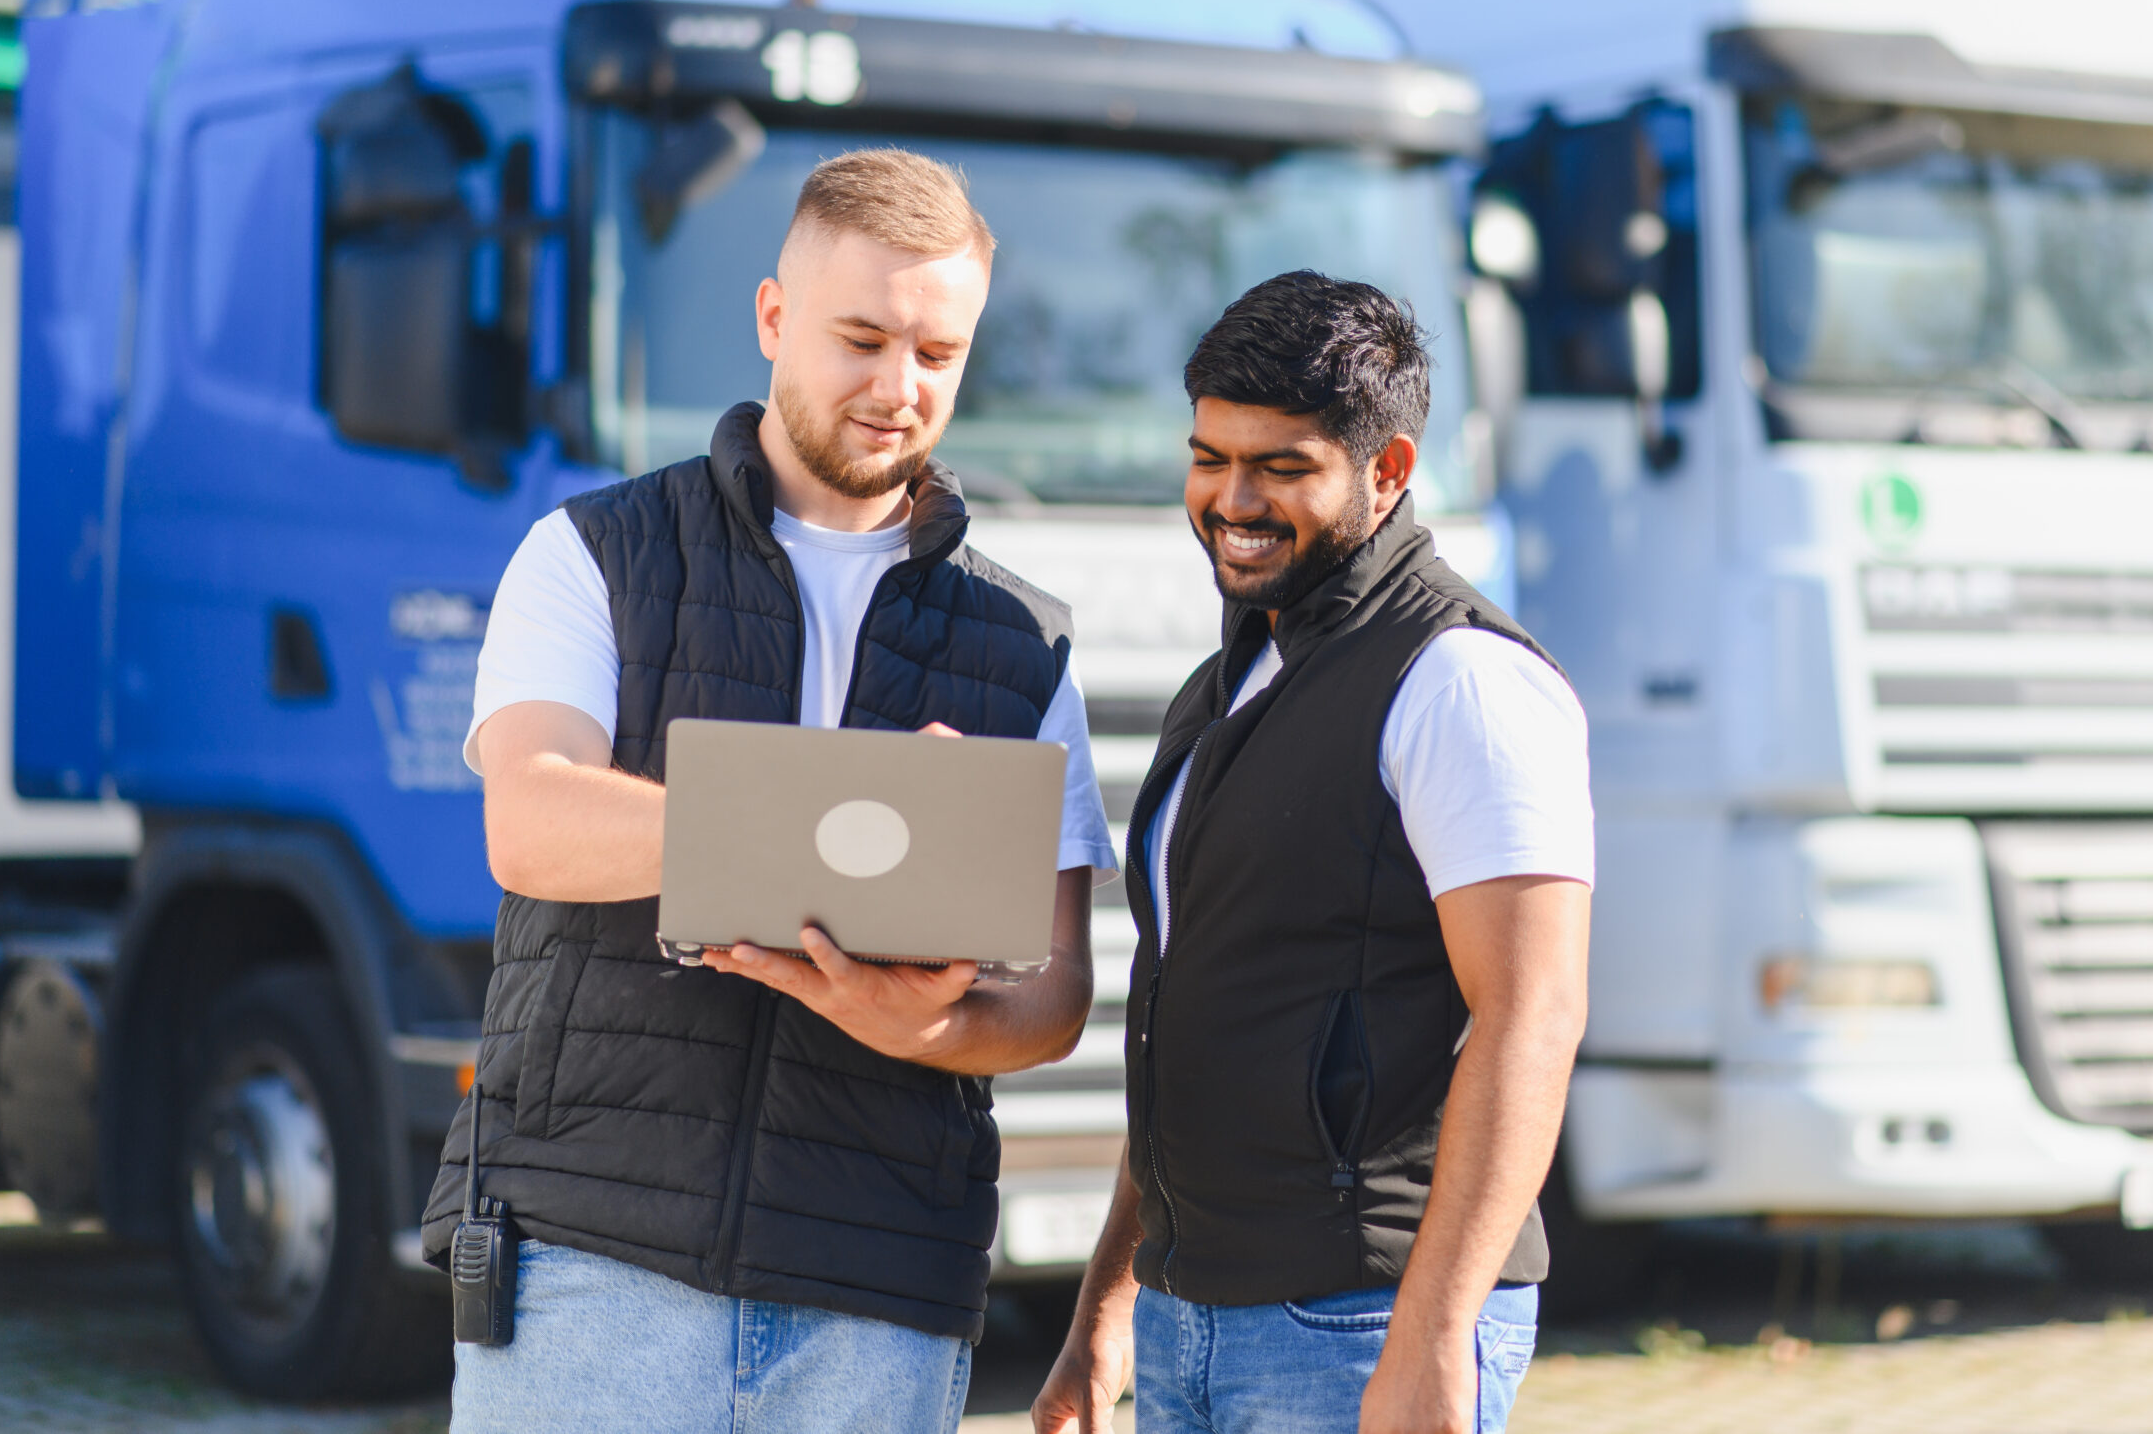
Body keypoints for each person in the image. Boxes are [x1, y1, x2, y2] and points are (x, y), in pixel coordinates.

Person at [421, 148, 1115, 1434]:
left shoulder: (1028, 642)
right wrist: (831, 825)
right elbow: (531, 821)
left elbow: (1057, 992)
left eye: (937, 353)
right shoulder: (592, 554)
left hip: (877, 1286)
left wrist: (924, 1027)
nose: (899, 388)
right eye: (861, 337)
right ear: (773, 317)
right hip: (589, 1255)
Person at [1034, 273, 1594, 1434]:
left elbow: (1531, 1012)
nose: (1230, 499)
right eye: (1208, 457)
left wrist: (1433, 1335)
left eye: (1281, 467)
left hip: (1356, 1322)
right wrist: (1106, 1313)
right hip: (1197, 1314)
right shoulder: (1233, 676)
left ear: (1387, 471)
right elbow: (1192, 1008)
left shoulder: (1462, 681)